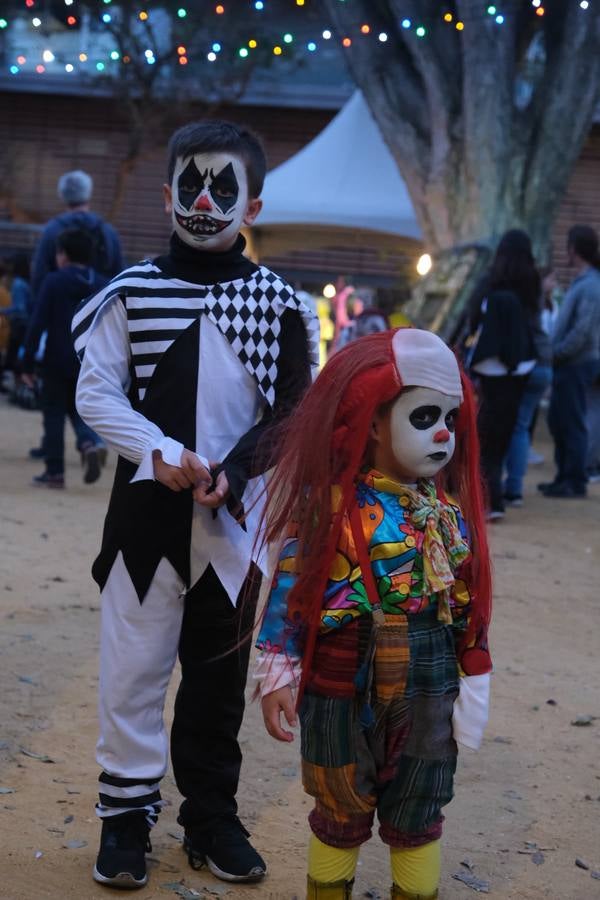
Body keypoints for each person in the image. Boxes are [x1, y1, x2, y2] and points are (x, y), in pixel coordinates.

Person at [72, 120, 319, 889]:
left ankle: (210, 817)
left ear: (252, 206)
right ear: (166, 191)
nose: (203, 199)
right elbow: (95, 392)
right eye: (190, 184)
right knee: (132, 677)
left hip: (235, 532)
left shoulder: (281, 306)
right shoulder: (130, 293)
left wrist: (236, 474)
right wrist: (162, 451)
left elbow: (294, 414)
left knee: (216, 689)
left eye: (222, 187)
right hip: (144, 529)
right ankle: (125, 821)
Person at [255, 328, 492, 900]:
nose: (442, 432)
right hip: (341, 668)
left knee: (422, 795)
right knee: (337, 794)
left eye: (449, 419)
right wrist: (278, 670)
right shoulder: (329, 508)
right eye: (423, 416)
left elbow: (463, 602)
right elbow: (293, 589)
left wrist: (475, 673)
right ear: (373, 422)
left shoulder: (449, 514)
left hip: (430, 674)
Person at [20, 229, 108, 488]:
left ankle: (55, 471)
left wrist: (25, 363)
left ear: (64, 255)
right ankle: (89, 442)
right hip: (89, 359)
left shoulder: (54, 281)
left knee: (54, 413)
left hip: (56, 358)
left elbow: (37, 322)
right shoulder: (102, 283)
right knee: (79, 408)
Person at [466, 229, 538, 520]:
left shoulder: (490, 288)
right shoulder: (530, 289)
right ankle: (504, 492)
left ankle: (488, 498)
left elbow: (472, 320)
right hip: (520, 367)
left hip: (491, 367)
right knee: (509, 432)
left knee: (484, 433)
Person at [539, 225, 600, 498]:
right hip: (570, 362)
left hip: (577, 363)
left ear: (573, 248)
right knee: (560, 420)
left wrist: (558, 352)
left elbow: (583, 330)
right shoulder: (584, 282)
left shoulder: (590, 285)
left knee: (571, 422)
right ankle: (564, 476)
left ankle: (574, 480)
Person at [503, 268, 555, 505]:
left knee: (512, 425)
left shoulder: (517, 300)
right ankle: (514, 487)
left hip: (527, 365)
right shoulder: (541, 304)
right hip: (544, 364)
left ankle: (508, 487)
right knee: (522, 426)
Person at [30, 169, 123, 298]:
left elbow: (39, 274)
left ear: (62, 194)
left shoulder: (52, 230)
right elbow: (119, 275)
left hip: (59, 308)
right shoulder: (107, 231)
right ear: (88, 192)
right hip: (99, 309)